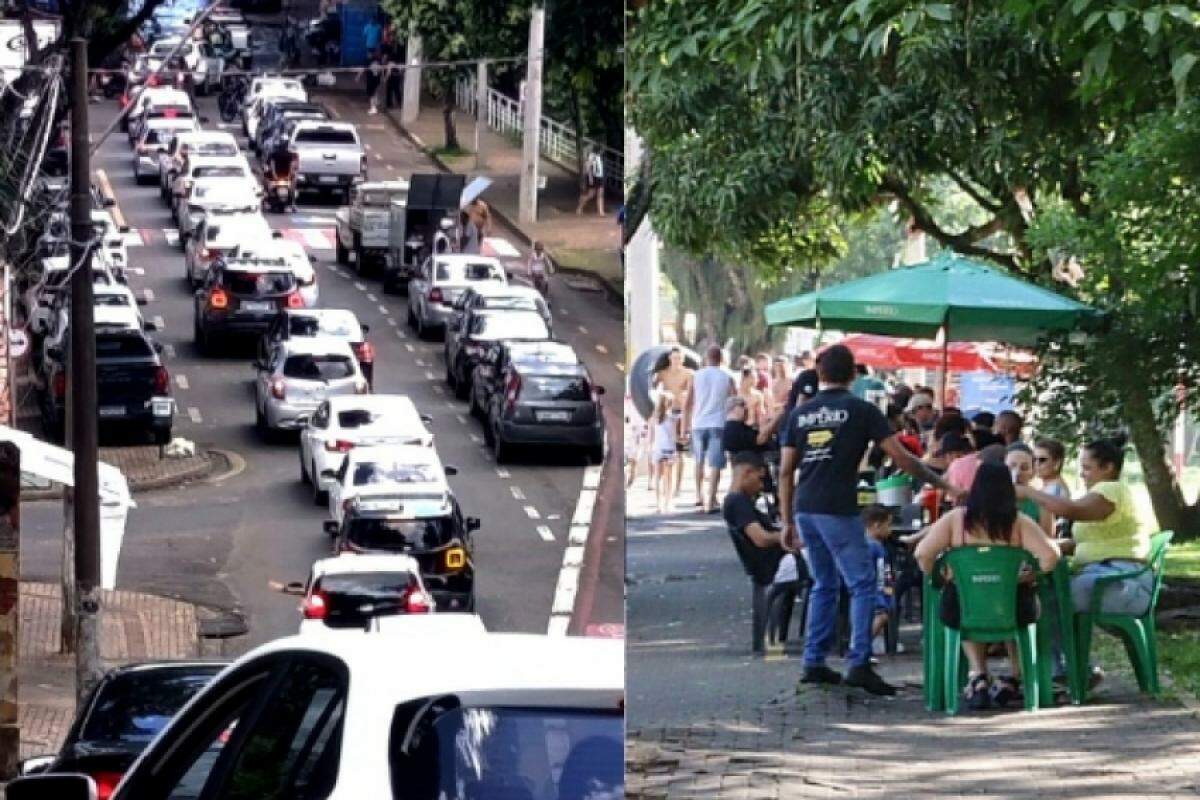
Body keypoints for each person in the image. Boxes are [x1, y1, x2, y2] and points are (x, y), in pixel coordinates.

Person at [778, 344, 965, 695]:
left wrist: (786, 520)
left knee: (823, 583)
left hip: (806, 507)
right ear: (853, 375)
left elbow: (787, 470)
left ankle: (813, 661)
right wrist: (944, 485)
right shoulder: (861, 410)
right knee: (863, 584)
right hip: (839, 507)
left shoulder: (799, 415)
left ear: (819, 374)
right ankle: (858, 661)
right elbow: (903, 458)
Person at [915, 462, 1061, 710]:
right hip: (1014, 609)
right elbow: (1051, 556)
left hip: (962, 610)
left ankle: (978, 673)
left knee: (964, 602)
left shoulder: (955, 520)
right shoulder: (1019, 523)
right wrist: (1029, 576)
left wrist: (942, 576)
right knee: (1014, 602)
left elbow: (922, 554)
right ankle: (1015, 676)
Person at [1015, 436, 1151, 688]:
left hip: (1122, 582)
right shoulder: (1098, 495)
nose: (1082, 473)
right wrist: (1053, 547)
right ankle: (1069, 671)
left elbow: (1071, 510)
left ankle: (1067, 673)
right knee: (1047, 592)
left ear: (1108, 467)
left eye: (1087, 467)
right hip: (1105, 577)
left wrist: (1028, 492)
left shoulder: (1110, 490)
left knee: (1051, 597)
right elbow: (1086, 543)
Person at [684, 346, 735, 514]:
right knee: (715, 463)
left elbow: (688, 403)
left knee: (699, 461)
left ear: (706, 358)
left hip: (698, 423)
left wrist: (684, 426)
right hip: (718, 423)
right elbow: (735, 400)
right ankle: (711, 499)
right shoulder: (727, 377)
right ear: (721, 359)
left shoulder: (696, 376)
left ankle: (698, 495)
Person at [652, 347, 694, 501]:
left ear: (683, 359)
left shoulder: (689, 374)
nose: (677, 361)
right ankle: (661, 485)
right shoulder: (663, 374)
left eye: (679, 358)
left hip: (681, 413)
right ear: (670, 358)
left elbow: (691, 393)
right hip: (667, 412)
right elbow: (653, 388)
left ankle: (677, 486)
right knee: (663, 450)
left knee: (680, 451)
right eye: (674, 358)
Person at [862, 504, 899, 656]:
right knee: (881, 616)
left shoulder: (869, 544)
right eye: (888, 525)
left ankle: (865, 646)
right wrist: (885, 591)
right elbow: (880, 572)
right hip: (877, 590)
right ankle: (862, 647)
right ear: (877, 526)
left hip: (879, 589)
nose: (890, 530)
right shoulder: (875, 547)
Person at [1006, 443, 1054, 536]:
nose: (1017, 472)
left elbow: (1048, 540)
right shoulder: (991, 498)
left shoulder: (1042, 502)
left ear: (1033, 472)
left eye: (1024, 468)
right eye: (1012, 466)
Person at [651, 392, 679, 514]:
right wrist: (676, 450)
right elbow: (673, 436)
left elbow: (650, 436)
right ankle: (667, 503)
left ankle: (658, 504)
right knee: (669, 477)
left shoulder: (653, 418)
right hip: (668, 449)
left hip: (657, 448)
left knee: (657, 476)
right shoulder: (671, 418)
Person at [265, 139, 299, 212]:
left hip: (283, 177)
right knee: (267, 186)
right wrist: (274, 176)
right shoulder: (274, 155)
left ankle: (293, 203)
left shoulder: (289, 155)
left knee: (292, 188)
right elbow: (272, 165)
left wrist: (289, 176)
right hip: (278, 177)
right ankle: (266, 201)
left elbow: (292, 166)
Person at [576, 147, 606, 215]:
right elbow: (587, 166)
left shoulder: (598, 157)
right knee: (591, 194)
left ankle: (600, 211)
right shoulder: (592, 156)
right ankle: (579, 207)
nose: (602, 152)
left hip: (599, 176)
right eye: (601, 150)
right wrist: (588, 177)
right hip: (593, 177)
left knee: (600, 194)